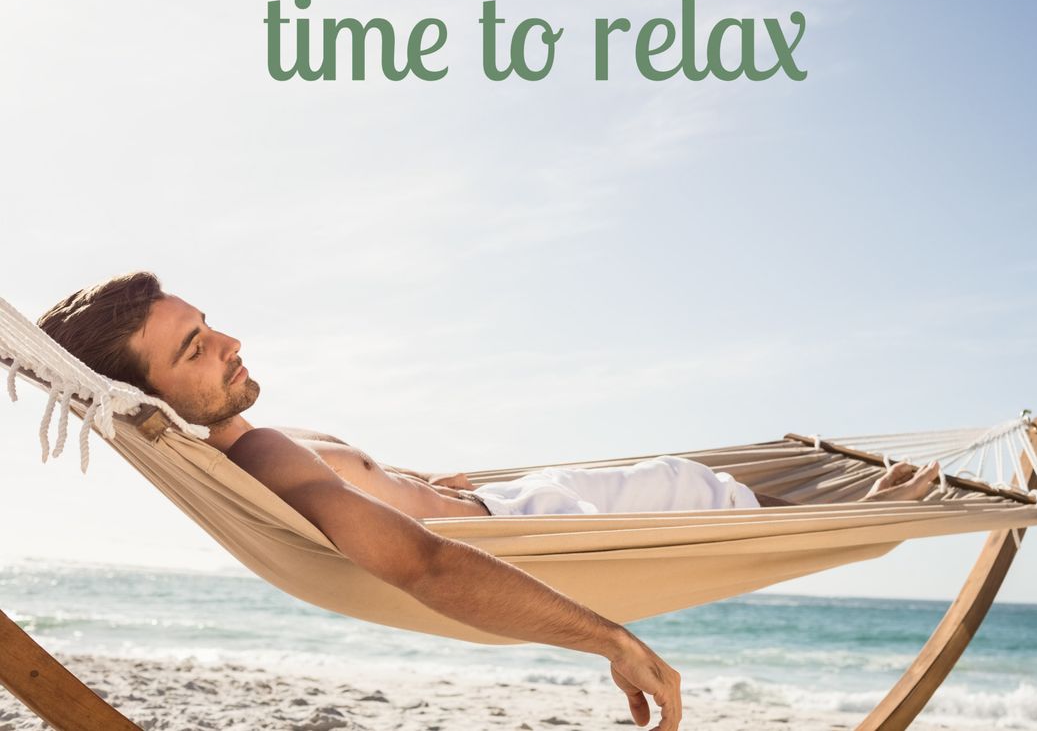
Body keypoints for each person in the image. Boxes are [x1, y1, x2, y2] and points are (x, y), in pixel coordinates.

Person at [37, 272, 940, 731]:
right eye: (195, 349)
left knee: (750, 492)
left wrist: (428, 483)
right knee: (750, 506)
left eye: (210, 323)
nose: (230, 342)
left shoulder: (258, 446)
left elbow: (388, 503)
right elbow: (423, 563)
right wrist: (611, 638)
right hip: (551, 536)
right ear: (150, 400)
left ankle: (871, 503)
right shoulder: (265, 458)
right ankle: (888, 508)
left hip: (520, 504)